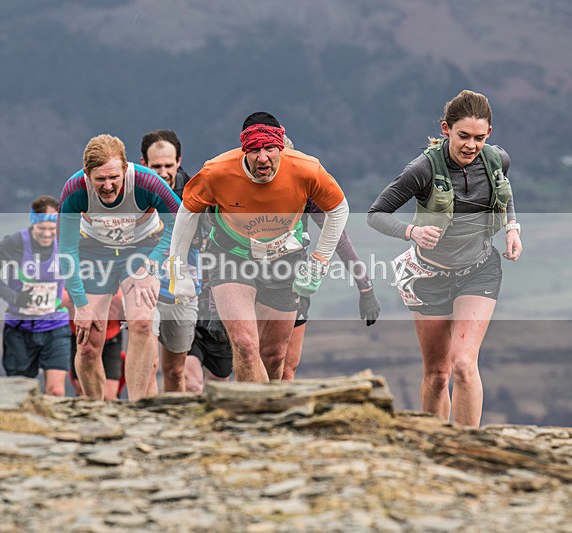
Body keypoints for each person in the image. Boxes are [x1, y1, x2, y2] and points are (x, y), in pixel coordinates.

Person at [368, 90, 522, 427]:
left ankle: (470, 450)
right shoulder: (422, 169)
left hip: (479, 270)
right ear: (446, 128)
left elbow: (504, 191)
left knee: (464, 364)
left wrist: (512, 228)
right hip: (428, 276)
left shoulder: (497, 159)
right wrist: (411, 233)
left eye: (479, 137)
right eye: (463, 135)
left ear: (489, 134)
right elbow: (376, 214)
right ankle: (433, 447)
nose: (471, 145)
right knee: (437, 374)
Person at [169, 112, 349, 383]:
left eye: (270, 149)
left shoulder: (306, 169)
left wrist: (319, 262)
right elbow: (188, 212)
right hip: (232, 256)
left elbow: (338, 209)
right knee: (244, 345)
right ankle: (250, 418)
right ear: (244, 149)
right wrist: (177, 269)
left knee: (274, 355)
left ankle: (267, 410)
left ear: (280, 148)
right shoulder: (217, 171)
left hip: (284, 258)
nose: (262, 157)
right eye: (254, 150)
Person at [58, 134, 181, 400]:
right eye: (100, 179)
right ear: (87, 174)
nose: (108, 186)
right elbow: (67, 250)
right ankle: (96, 408)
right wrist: (80, 304)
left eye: (114, 177)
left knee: (141, 323)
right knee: (88, 343)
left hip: (141, 250)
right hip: (94, 252)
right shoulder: (74, 190)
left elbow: (180, 221)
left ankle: (137, 407)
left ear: (126, 169)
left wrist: (153, 263)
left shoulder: (147, 182)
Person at [281, 134, 380, 381]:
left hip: (293, 281)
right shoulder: (240, 187)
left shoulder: (304, 188)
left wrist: (365, 286)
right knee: (252, 357)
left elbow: (338, 237)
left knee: (286, 368)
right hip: (251, 280)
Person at [0, 195, 71, 396]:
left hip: (56, 326)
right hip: (20, 329)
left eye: (52, 229)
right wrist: (13, 296)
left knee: (56, 391)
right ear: (33, 223)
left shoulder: (66, 243)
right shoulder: (15, 243)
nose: (47, 234)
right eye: (42, 229)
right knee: (19, 391)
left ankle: (53, 428)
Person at [140, 130, 201, 392]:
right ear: (144, 164)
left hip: (181, 289)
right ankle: (145, 424)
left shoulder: (196, 192)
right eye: (156, 166)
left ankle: (175, 425)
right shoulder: (132, 192)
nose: (163, 172)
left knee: (175, 371)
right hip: (143, 285)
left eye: (168, 165)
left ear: (179, 161)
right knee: (148, 364)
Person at [63, 289, 127, 400]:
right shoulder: (68, 296)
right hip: (80, 336)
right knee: (83, 392)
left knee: (109, 395)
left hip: (111, 338)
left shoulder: (118, 297)